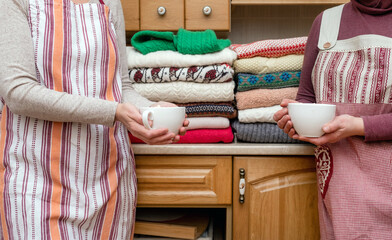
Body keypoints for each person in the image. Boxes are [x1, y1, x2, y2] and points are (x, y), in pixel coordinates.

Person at [0, 0, 188, 238]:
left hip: (109, 181)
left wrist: (151, 111)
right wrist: (113, 112)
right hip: (36, 182)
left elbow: (122, 86)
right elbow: (18, 92)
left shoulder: (109, 2)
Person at [274, 0, 392, 239]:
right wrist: (296, 117)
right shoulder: (326, 22)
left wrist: (357, 126)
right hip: (341, 183)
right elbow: (306, 98)